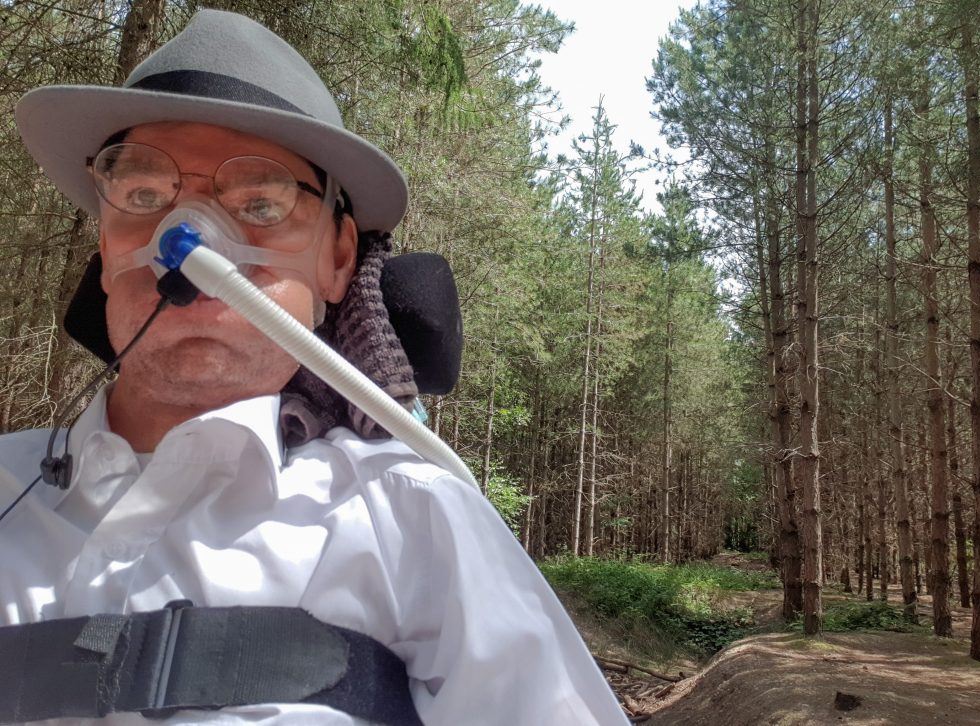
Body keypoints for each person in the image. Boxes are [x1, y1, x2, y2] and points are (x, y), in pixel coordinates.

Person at [0, 9, 626, 725]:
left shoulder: (413, 520)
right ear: (106, 248)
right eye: (144, 196)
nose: (189, 239)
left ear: (336, 259)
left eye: (260, 203)